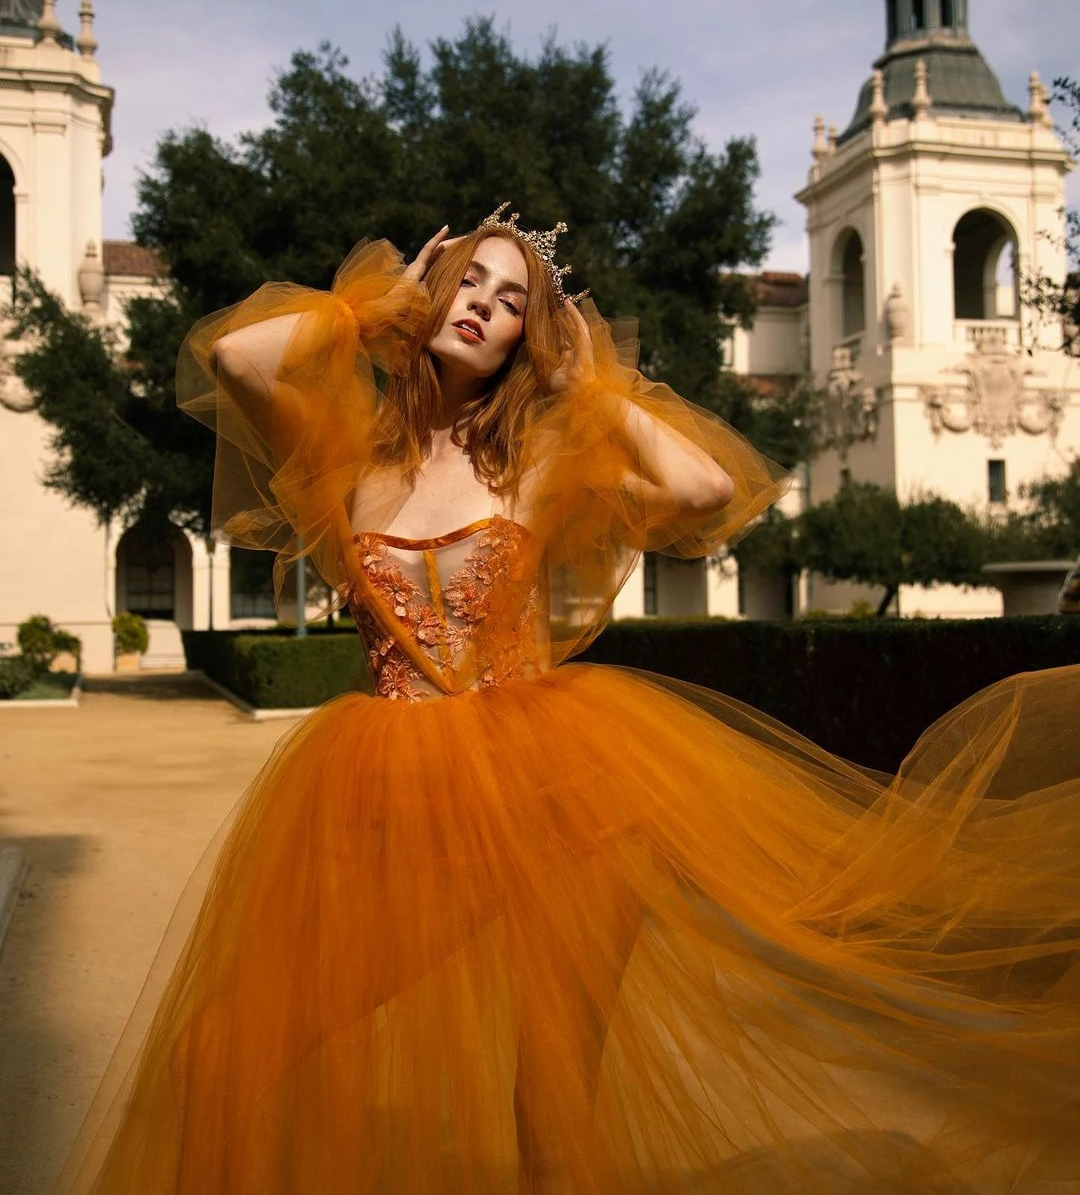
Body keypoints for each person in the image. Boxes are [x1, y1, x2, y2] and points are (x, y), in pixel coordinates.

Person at [57, 207, 1079, 1194]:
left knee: (550, 1118)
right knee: (218, 1052)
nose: (483, 307)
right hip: (388, 793)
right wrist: (371, 311)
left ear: (520, 343)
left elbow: (704, 493)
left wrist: (593, 382)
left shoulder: (537, 462)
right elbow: (239, 360)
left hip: (565, 799)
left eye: (510, 302)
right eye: (469, 282)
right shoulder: (351, 458)